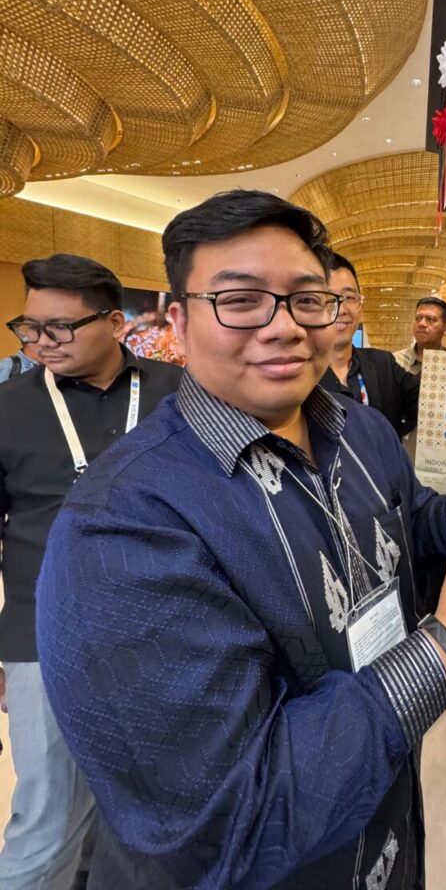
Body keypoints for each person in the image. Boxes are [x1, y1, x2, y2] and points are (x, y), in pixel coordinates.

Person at [36, 190, 446, 890]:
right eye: (240, 301)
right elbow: (233, 819)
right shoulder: (120, 526)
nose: (284, 326)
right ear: (179, 321)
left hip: (383, 839)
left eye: (307, 299)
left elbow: (406, 527)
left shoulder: (359, 429)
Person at [0, 253, 182, 890]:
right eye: (30, 327)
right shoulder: (7, 408)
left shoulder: (178, 395)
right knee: (49, 817)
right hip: (42, 635)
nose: (41, 342)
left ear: (114, 322)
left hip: (160, 628)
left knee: (141, 807)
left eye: (60, 328)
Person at [319, 253, 420, 436]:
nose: (341, 310)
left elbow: (434, 402)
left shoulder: (383, 364)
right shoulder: (300, 374)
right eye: (329, 298)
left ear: (361, 306)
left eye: (349, 297)